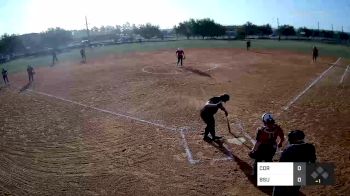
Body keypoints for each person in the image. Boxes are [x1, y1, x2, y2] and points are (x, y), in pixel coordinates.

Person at [273, 130, 317, 196]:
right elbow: (312, 162)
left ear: (294, 139)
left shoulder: (289, 149)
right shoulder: (310, 147)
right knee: (293, 191)